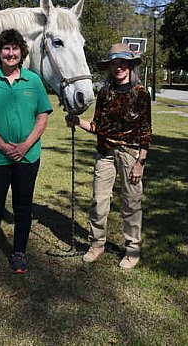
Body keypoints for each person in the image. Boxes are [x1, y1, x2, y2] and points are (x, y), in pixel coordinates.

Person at [0, 29, 53, 279]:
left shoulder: (34, 81)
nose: (11, 53)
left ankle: (19, 253)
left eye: (15, 48)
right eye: (6, 48)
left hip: (28, 157)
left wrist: (25, 145)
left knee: (23, 207)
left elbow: (42, 116)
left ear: (22, 53)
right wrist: (4, 147)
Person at [66, 43, 152, 270]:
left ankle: (132, 249)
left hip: (131, 155)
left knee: (131, 203)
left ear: (130, 66)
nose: (119, 68)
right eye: (115, 64)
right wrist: (77, 122)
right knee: (99, 201)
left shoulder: (141, 93)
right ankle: (96, 244)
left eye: (123, 63)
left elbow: (146, 131)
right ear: (110, 68)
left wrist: (140, 162)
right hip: (105, 154)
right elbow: (97, 126)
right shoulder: (105, 93)